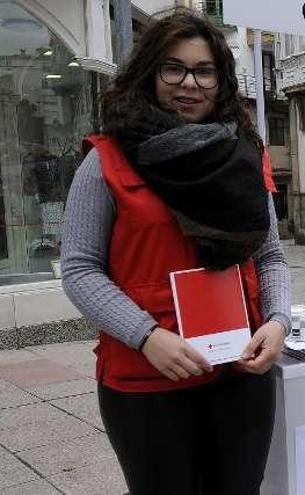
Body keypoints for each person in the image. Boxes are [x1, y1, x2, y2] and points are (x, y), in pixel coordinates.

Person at [60, 10, 290, 494]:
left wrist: (277, 321)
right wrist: (146, 336)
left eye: (204, 70)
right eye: (174, 68)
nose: (190, 83)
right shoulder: (108, 160)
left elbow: (269, 256)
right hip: (147, 379)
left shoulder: (247, 154)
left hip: (240, 372)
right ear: (149, 72)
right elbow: (80, 270)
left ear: (221, 79)